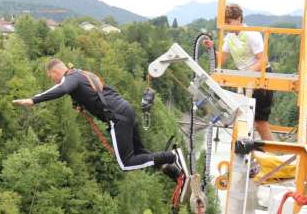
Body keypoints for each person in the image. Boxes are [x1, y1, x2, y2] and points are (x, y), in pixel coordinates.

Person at [12, 58, 185, 178]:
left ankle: (172, 156)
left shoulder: (71, 78)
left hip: (117, 117)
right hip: (125, 110)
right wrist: (82, 102)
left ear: (55, 71)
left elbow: (62, 89)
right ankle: (175, 172)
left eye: (51, 76)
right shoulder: (82, 74)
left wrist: (33, 100)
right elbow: (96, 92)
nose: (52, 80)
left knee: (126, 163)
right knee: (141, 154)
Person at [205, 3, 275, 141]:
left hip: (260, 77)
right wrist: (211, 49)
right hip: (245, 80)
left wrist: (247, 74)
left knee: (260, 123)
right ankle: (248, 151)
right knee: (244, 120)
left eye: (229, 22)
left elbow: (263, 60)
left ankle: (273, 152)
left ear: (238, 19)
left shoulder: (251, 34)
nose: (227, 25)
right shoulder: (230, 37)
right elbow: (221, 58)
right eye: (225, 22)